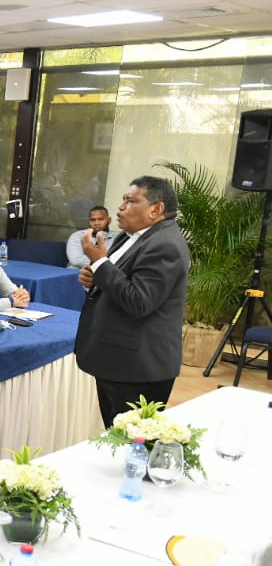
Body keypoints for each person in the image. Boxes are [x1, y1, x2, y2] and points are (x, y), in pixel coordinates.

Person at [75, 176, 190, 428]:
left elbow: (139, 301)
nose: (120, 207)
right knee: (115, 436)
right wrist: (93, 277)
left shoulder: (165, 245)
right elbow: (117, 281)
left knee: (132, 443)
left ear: (155, 209)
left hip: (138, 368)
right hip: (116, 359)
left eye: (130, 201)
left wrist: (100, 263)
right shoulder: (128, 236)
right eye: (122, 200)